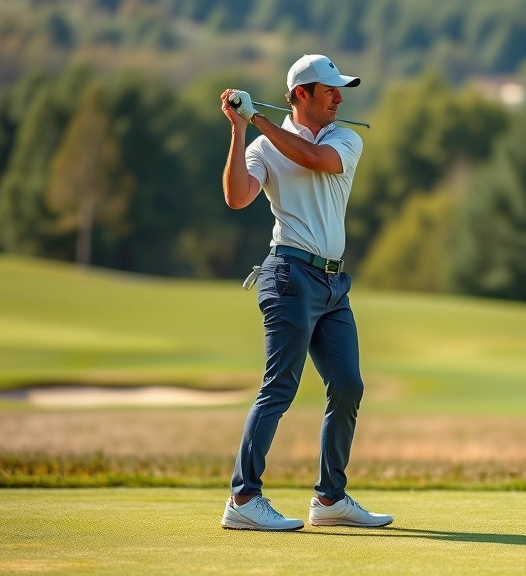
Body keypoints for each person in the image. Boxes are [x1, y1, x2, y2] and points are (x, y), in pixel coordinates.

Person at [218, 54, 392, 531]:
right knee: (281, 386)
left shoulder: (345, 139)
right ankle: (243, 497)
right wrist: (239, 129)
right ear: (301, 94)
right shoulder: (263, 146)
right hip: (289, 275)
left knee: (348, 385)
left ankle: (330, 498)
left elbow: (315, 160)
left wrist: (257, 118)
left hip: (334, 283)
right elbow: (237, 197)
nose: (338, 98)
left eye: (340, 91)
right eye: (329, 90)